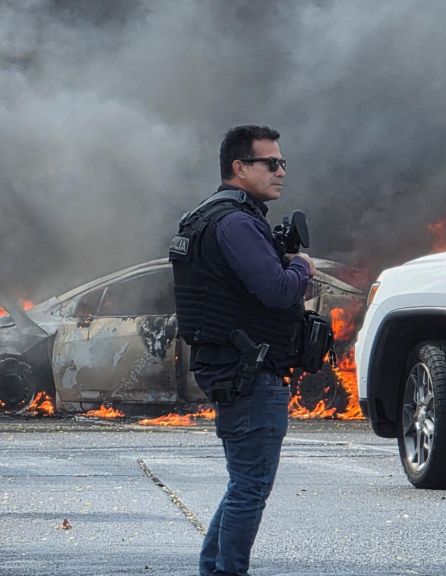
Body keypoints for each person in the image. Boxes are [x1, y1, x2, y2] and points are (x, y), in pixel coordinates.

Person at [168, 125, 316, 575]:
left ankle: (214, 569)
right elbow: (276, 291)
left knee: (243, 484)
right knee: (250, 487)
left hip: (235, 368)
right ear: (239, 167)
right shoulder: (235, 222)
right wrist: (302, 268)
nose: (281, 171)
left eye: (283, 162)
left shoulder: (211, 216)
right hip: (249, 372)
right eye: (270, 163)